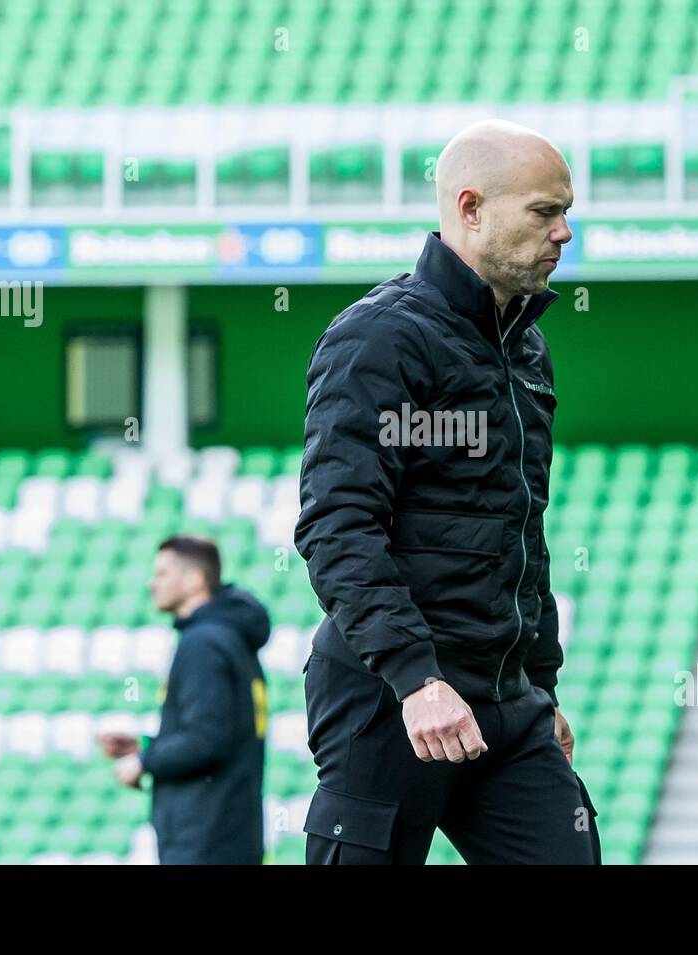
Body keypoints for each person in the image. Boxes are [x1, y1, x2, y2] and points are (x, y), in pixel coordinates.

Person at [294, 119, 600, 864]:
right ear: (470, 207)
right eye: (544, 212)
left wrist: (542, 684)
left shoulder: (526, 346)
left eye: (567, 212)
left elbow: (522, 532)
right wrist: (416, 679)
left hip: (506, 701)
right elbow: (338, 526)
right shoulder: (380, 338)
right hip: (392, 699)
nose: (564, 233)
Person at [98, 535, 270, 864]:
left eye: (161, 573)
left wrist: (143, 763)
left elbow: (207, 739)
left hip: (205, 838)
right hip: (230, 832)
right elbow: (216, 730)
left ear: (193, 580)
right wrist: (145, 745)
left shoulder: (202, 642)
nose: (152, 583)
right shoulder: (230, 637)